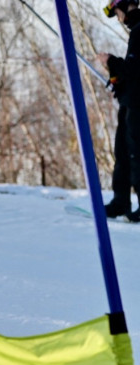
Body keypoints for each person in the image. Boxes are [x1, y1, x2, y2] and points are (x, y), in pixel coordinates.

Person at [98, 0, 140, 221]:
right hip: (130, 104)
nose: (119, 19)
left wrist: (111, 61)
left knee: (136, 154)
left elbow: (133, 69)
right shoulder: (136, 31)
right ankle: (120, 202)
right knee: (122, 152)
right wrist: (118, 81)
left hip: (137, 106)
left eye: (117, 13)